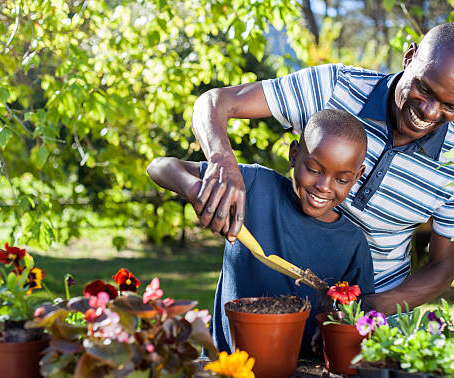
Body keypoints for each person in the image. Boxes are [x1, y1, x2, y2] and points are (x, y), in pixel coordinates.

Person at [190, 22, 454, 315]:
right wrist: (222, 163)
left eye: (451, 106)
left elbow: (442, 265)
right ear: (410, 57)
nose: (429, 111)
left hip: (373, 310)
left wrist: (370, 311)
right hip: (283, 290)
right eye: (424, 89)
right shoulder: (334, 88)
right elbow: (215, 102)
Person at [148, 109, 375, 353]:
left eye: (341, 180)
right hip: (226, 364)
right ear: (294, 154)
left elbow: (359, 318)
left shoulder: (353, 244)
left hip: (303, 373)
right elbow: (159, 167)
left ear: (357, 176)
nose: (324, 186)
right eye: (314, 170)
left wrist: (335, 329)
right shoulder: (252, 185)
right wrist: (195, 191)